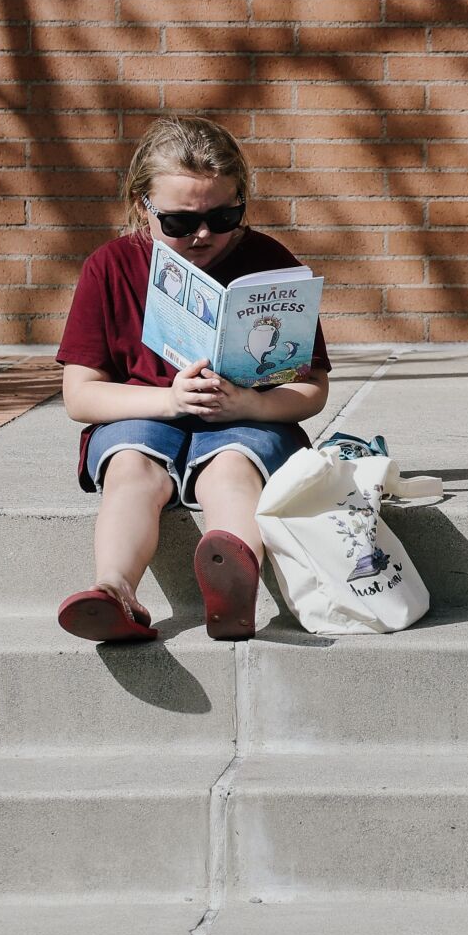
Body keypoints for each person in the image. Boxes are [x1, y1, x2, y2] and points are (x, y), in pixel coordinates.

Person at [54, 116, 331, 643]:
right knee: (132, 469)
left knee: (230, 471)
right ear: (144, 206)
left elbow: (312, 387)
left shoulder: (270, 264)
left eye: (224, 216)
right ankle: (114, 592)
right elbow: (79, 395)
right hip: (144, 411)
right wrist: (169, 400)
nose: (203, 234)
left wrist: (252, 405)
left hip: (246, 417)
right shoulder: (109, 267)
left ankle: (234, 582)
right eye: (180, 222)